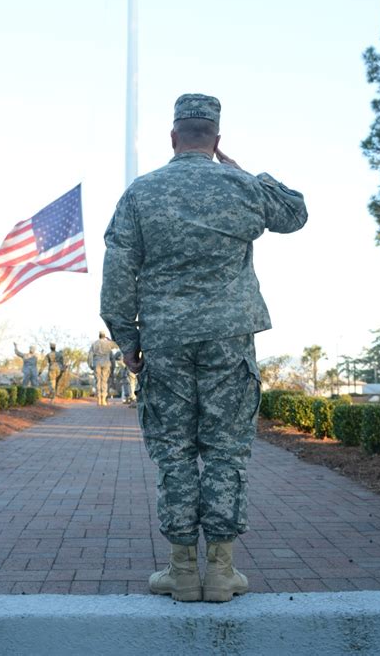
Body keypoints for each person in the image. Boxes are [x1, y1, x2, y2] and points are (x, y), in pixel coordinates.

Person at [100, 93, 308, 602]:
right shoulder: (240, 186)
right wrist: (247, 173)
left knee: (173, 454)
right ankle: (221, 570)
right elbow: (295, 214)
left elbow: (118, 268)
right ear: (216, 140)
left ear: (173, 137)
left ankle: (181, 572)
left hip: (166, 342)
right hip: (228, 340)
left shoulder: (142, 192)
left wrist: (126, 338)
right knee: (225, 451)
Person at [87, 331, 118, 406]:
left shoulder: (95, 343)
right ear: (104, 336)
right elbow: (116, 346)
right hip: (106, 363)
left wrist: (90, 365)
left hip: (97, 363)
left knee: (98, 381)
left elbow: (90, 355)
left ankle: (99, 399)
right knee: (104, 381)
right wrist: (109, 340)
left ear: (99, 336)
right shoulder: (108, 343)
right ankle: (103, 399)